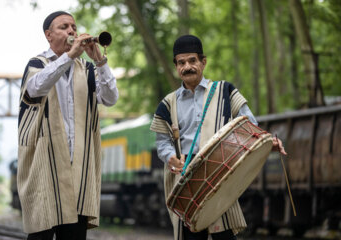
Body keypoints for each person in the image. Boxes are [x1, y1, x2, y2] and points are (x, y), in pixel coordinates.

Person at [150, 35, 286, 240]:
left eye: (192, 61)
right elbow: (162, 142)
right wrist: (170, 157)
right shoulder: (167, 104)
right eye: (181, 62)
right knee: (191, 235)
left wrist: (267, 143)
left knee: (223, 234)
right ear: (176, 66)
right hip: (186, 179)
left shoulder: (225, 91)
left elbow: (249, 125)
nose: (187, 66)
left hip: (220, 175)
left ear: (203, 62)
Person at [17, 11, 118, 240]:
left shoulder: (88, 69)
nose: (72, 31)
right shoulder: (37, 63)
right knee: (40, 234)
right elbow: (35, 89)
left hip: (78, 173)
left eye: (73, 26)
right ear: (49, 35)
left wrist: (99, 61)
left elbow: (111, 99)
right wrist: (69, 57)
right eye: (63, 27)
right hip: (46, 169)